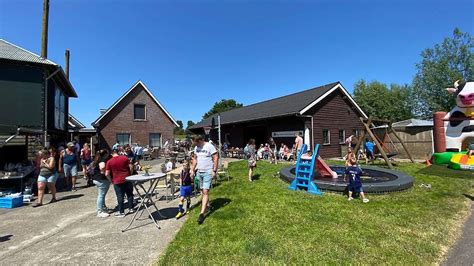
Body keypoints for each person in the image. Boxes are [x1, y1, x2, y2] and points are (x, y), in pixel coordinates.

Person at [190, 135, 218, 225]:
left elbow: (216, 158)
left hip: (208, 172)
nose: (196, 145)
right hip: (199, 172)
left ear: (201, 140)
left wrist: (214, 170)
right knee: (202, 191)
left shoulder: (209, 146)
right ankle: (208, 205)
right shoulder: (196, 147)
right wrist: (192, 169)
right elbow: (195, 159)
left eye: (197, 143)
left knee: (205, 191)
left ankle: (202, 214)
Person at [106, 148, 134, 217]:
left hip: (117, 180)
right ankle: (131, 208)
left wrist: (111, 181)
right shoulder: (124, 158)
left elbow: (107, 174)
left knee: (120, 196)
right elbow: (131, 166)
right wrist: (130, 174)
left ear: (111, 154)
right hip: (127, 179)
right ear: (118, 152)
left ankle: (121, 212)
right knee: (130, 194)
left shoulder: (109, 161)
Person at [92, 149, 112, 218]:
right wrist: (109, 177)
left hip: (97, 179)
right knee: (101, 195)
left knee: (101, 195)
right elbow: (102, 168)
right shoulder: (102, 160)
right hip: (102, 180)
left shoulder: (97, 159)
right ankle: (100, 211)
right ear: (105, 154)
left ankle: (103, 208)